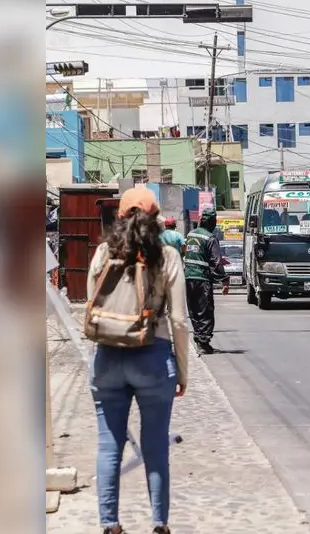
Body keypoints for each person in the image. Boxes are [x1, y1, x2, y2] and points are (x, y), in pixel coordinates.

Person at [86, 186, 188, 534]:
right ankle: (159, 524)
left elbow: (93, 305)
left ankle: (110, 524)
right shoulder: (166, 256)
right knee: (155, 444)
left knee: (108, 444)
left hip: (107, 358)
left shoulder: (102, 253)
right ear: (156, 218)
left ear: (120, 216)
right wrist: (183, 372)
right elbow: (178, 320)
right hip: (153, 358)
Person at [183, 208, 228, 355]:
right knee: (205, 311)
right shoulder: (210, 238)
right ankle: (203, 341)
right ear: (211, 222)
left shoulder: (190, 235)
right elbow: (216, 262)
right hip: (202, 279)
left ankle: (199, 337)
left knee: (194, 310)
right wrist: (224, 280)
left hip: (189, 277)